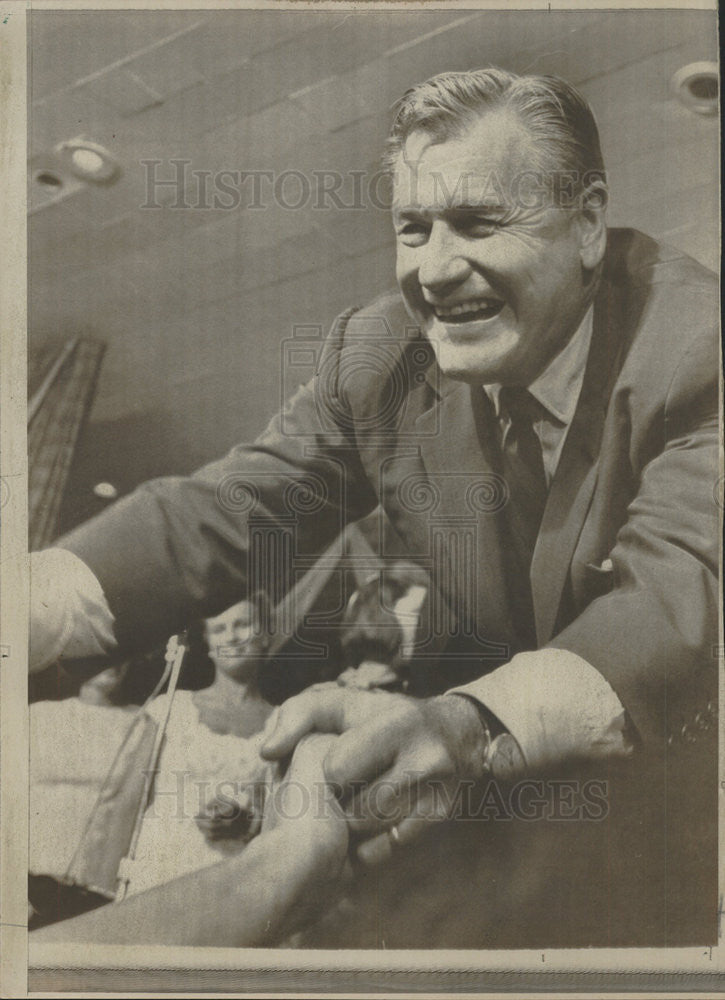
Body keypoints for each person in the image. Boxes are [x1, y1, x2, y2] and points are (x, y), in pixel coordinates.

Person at [28, 67, 719, 946]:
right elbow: (225, 512)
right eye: (413, 228)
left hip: (673, 839)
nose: (434, 270)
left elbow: (676, 598)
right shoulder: (379, 355)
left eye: (475, 222)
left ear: (585, 224)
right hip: (489, 837)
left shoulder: (699, 342)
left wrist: (468, 731)